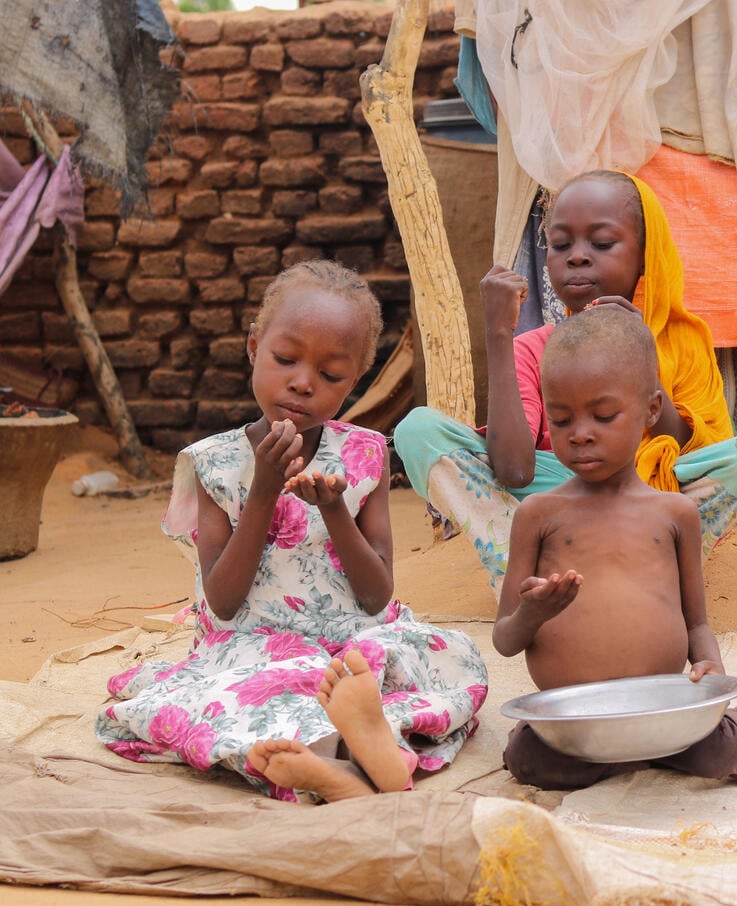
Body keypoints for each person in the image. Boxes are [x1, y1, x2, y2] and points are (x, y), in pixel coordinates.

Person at [96, 261, 489, 803]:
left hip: (352, 640)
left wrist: (333, 511)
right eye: (286, 359)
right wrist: (262, 493)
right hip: (254, 646)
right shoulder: (212, 464)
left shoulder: (364, 454)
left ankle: (362, 752)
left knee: (445, 657)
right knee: (266, 690)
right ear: (254, 346)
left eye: (330, 376)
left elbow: (377, 594)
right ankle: (357, 764)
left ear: (353, 383)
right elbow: (225, 602)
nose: (303, 383)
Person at [392, 170, 737, 594]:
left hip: (648, 503)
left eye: (601, 243)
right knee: (417, 430)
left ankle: (654, 567)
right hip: (557, 501)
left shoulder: (683, 343)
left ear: (646, 257)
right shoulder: (531, 349)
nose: (577, 257)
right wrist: (498, 336)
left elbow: (697, 452)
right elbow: (514, 470)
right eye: (560, 245)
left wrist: (641, 356)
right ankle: (524, 574)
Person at [492, 306, 737, 789]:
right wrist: (533, 613)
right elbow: (505, 640)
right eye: (562, 420)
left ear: (651, 410)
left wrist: (710, 669)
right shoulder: (538, 516)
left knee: (718, 754)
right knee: (530, 764)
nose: (580, 433)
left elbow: (696, 623)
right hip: (579, 721)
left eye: (603, 416)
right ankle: (658, 754)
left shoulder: (674, 514)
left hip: (666, 708)